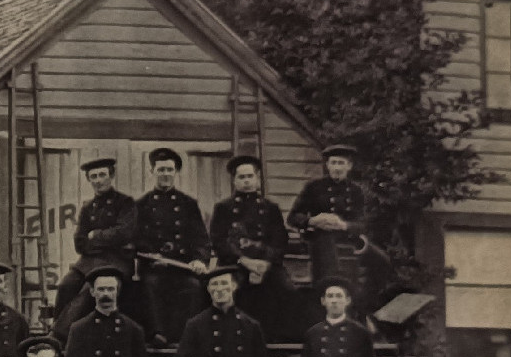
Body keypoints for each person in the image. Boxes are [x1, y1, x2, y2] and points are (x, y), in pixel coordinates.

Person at [209, 154, 293, 339]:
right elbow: (218, 240)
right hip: (234, 263)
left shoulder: (270, 208)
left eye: (250, 176)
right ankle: (231, 336)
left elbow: (280, 240)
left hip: (266, 263)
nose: (246, 181)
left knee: (286, 288)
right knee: (229, 288)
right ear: (234, 181)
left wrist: (265, 263)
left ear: (257, 179)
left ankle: (277, 339)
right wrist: (244, 261)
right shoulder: (223, 208)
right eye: (241, 177)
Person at [53, 156, 138, 337]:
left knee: (88, 291)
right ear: (89, 180)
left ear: (111, 176)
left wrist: (95, 235)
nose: (98, 180)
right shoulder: (88, 207)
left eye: (102, 175)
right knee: (65, 286)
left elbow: (124, 233)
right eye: (93, 177)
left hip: (116, 261)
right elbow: (79, 242)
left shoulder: (125, 203)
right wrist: (104, 240)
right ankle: (56, 327)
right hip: (88, 262)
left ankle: (61, 335)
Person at [134, 147, 211, 345]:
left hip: (182, 267)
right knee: (150, 285)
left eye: (169, 170)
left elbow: (201, 238)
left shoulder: (188, 204)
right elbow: (134, 239)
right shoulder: (141, 205)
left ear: (176, 172)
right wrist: (151, 256)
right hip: (154, 266)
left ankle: (186, 337)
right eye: (161, 170)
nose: (165, 174)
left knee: (193, 287)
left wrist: (199, 259)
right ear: (152, 172)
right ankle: (158, 334)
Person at [288, 143, 367, 290]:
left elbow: (364, 224)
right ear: (328, 165)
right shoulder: (314, 187)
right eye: (333, 163)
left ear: (349, 166)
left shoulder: (356, 191)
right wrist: (313, 220)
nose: (337, 168)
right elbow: (293, 217)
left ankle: (366, 303)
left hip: (347, 237)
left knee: (382, 261)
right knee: (329, 264)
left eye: (341, 163)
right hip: (320, 237)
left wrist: (344, 225)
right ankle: (329, 292)